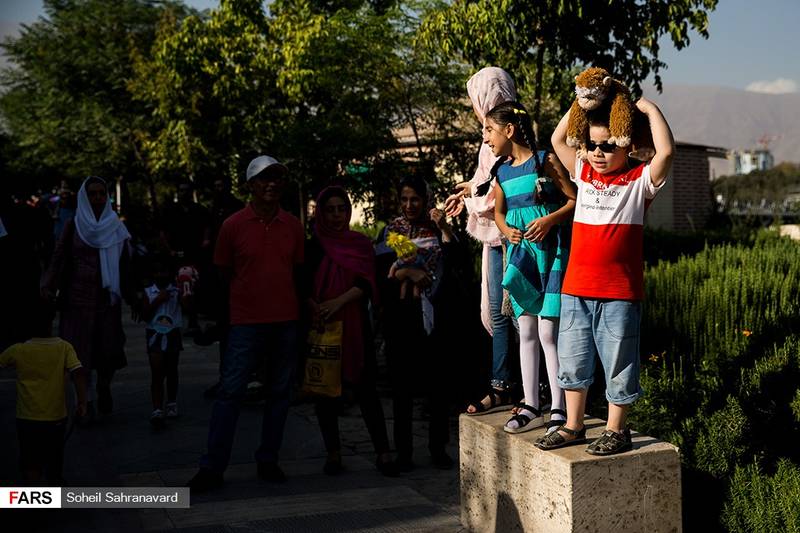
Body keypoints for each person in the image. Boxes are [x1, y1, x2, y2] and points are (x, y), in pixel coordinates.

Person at [536, 95, 674, 454]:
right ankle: (573, 425)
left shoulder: (639, 181)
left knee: (619, 362)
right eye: (593, 145)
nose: (598, 152)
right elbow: (557, 139)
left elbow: (666, 153)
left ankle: (616, 430)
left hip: (619, 294)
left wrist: (644, 107)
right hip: (576, 290)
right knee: (573, 360)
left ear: (626, 145)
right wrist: (585, 101)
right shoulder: (583, 175)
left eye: (608, 145)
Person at [187, 155, 304, 492]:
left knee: (279, 394)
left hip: (286, 321)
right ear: (251, 185)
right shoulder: (232, 225)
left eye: (277, 178)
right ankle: (212, 466)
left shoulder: (293, 226)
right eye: (264, 179)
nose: (272, 184)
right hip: (245, 323)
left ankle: (268, 459)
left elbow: (297, 272)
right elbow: (222, 272)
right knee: (230, 393)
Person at [484, 101, 575, 434]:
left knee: (548, 332)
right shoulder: (501, 171)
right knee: (525, 331)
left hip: (549, 254)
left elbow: (572, 200)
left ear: (509, 130)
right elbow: (498, 212)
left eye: (489, 130)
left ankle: (558, 408)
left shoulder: (544, 161)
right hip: (521, 256)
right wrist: (506, 230)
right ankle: (530, 404)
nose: (485, 138)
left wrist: (549, 221)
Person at [305, 186, 399, 477]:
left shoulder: (359, 244)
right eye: (330, 210)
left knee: (366, 388)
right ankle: (333, 453)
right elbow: (301, 283)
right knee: (325, 393)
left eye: (341, 209)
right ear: (321, 213)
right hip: (321, 325)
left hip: (355, 325)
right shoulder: (312, 246)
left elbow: (367, 283)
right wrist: (315, 307)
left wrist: (338, 302)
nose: (336, 215)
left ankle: (383, 452)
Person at [444, 67, 520, 416]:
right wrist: (467, 191)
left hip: (513, 237)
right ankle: (502, 385)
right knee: (497, 312)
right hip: (495, 239)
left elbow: (497, 195)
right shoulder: (490, 139)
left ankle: (531, 389)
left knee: (518, 315)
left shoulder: (512, 139)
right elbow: (485, 183)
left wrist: (475, 199)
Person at [376, 176, 460, 471]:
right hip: (402, 319)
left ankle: (438, 449)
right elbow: (380, 277)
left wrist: (445, 227)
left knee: (437, 388)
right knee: (402, 390)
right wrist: (407, 275)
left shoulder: (436, 229)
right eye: (404, 200)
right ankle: (404, 453)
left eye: (415, 199)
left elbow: (454, 263)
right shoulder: (390, 231)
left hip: (434, 318)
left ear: (425, 200)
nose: (409, 205)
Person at [41, 176, 132, 419]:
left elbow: (126, 265)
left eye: (102, 193)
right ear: (84, 196)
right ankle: (85, 402)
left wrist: (136, 296)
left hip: (106, 301)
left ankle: (104, 387)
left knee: (107, 351)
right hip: (77, 300)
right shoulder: (74, 224)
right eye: (92, 194)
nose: (98, 198)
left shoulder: (116, 226)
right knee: (79, 354)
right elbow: (58, 257)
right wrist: (48, 286)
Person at [0, 304, 87, 483]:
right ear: (51, 321)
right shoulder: (64, 347)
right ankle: (52, 492)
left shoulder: (18, 349)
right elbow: (77, 373)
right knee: (54, 458)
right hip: (56, 417)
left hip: (27, 417)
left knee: (30, 460)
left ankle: (35, 498)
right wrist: (82, 402)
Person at [159, 181, 211, 333]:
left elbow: (207, 227)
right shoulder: (170, 210)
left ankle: (192, 320)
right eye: (181, 190)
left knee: (192, 288)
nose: (184, 193)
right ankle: (177, 321)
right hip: (177, 256)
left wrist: (206, 241)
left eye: (187, 190)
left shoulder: (199, 210)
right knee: (178, 289)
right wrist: (169, 251)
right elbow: (163, 232)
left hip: (196, 255)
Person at [140, 259, 183, 427]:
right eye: (158, 272)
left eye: (165, 272)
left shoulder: (176, 291)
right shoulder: (149, 292)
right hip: (155, 333)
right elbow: (145, 315)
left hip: (172, 332)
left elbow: (188, 307)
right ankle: (157, 408)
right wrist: (157, 300)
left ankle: (171, 402)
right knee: (157, 371)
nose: (161, 275)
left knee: (172, 369)